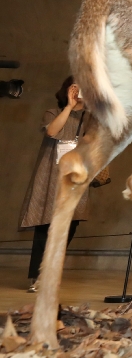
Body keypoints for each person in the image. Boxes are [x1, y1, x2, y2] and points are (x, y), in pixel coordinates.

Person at [19, 77, 93, 293]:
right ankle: (36, 277)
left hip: (76, 176)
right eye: (76, 87)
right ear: (67, 89)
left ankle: (50, 272)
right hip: (51, 176)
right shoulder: (54, 112)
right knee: (45, 225)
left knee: (70, 226)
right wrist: (69, 107)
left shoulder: (91, 118)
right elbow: (52, 131)